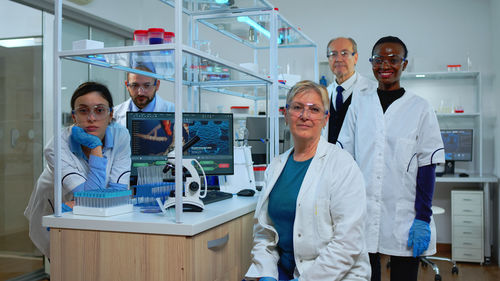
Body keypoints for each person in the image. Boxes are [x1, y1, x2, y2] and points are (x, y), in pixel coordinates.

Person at [337, 36, 445, 281]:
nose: (385, 65)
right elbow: (344, 158)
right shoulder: (359, 104)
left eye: (393, 59)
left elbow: (427, 166)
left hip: (405, 216)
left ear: (404, 64)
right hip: (362, 212)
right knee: (364, 277)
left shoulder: (420, 108)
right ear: (371, 63)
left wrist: (422, 218)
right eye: (378, 59)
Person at [245, 80, 370, 281]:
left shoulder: (342, 165)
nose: (305, 115)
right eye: (297, 107)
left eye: (314, 109)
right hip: (282, 272)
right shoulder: (276, 167)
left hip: (333, 275)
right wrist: (267, 273)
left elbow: (348, 243)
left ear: (325, 118)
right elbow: (264, 235)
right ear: (286, 115)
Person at [24, 82, 131, 258]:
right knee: (66, 264)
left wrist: (89, 199)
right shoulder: (57, 146)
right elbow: (88, 197)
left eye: (99, 110)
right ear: (74, 116)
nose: (91, 118)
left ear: (111, 114)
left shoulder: (121, 135)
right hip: (56, 213)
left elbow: (119, 191)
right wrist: (95, 146)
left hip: (87, 212)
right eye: (83, 110)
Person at [324, 37, 376, 143]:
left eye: (344, 53)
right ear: (328, 59)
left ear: (355, 58)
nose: (338, 59)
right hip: (329, 157)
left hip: (358, 159)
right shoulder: (325, 93)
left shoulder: (373, 91)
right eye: (333, 54)